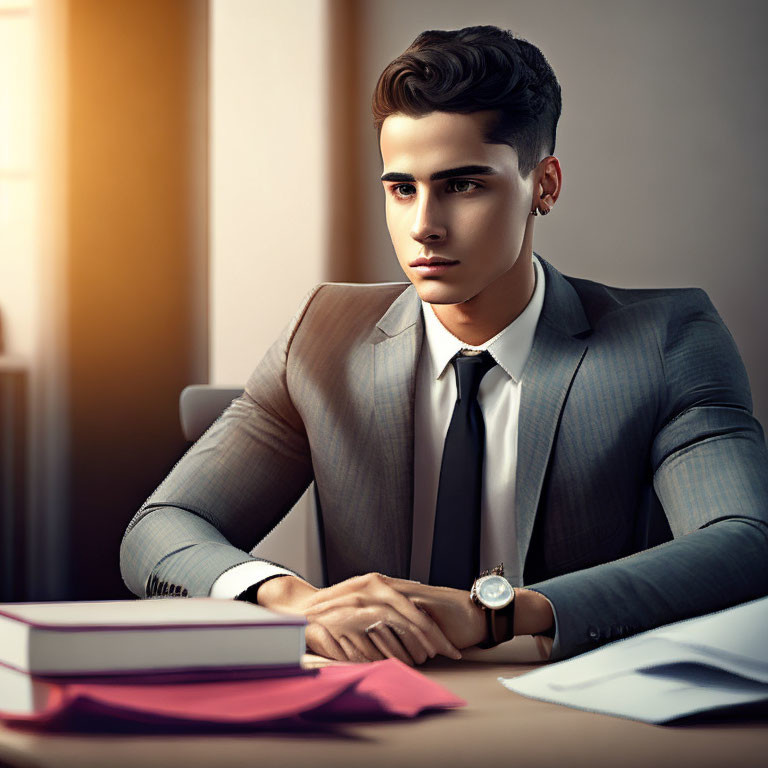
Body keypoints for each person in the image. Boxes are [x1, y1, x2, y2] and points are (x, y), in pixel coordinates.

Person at [120, 25, 768, 664]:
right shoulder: (320, 335)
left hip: (580, 715)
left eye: (462, 185)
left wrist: (502, 613)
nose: (424, 225)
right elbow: (159, 529)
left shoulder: (666, 341)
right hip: (371, 713)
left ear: (544, 185)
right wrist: (289, 598)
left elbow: (744, 541)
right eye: (402, 188)